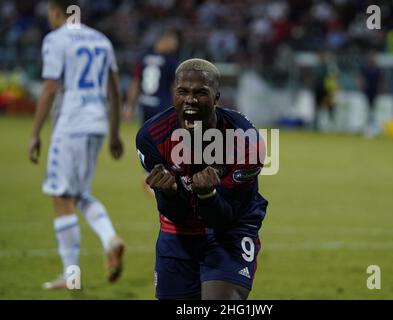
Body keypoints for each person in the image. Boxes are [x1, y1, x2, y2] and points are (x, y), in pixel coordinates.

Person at [136, 58, 268, 299]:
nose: (191, 100)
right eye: (183, 92)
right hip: (177, 231)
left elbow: (225, 216)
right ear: (173, 93)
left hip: (231, 232)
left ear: (217, 98)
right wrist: (168, 193)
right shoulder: (151, 137)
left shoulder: (246, 142)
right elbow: (171, 211)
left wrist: (207, 195)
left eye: (201, 93)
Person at [28, 0, 125, 289]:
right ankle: (111, 238)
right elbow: (115, 91)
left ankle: (71, 277)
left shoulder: (56, 40)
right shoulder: (102, 40)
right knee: (79, 194)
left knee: (60, 197)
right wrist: (115, 133)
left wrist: (35, 133)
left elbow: (49, 88)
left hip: (71, 125)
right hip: (97, 124)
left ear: (57, 12)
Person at [124, 32, 179, 124]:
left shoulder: (144, 57)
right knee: (162, 136)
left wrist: (129, 106)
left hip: (145, 103)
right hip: (163, 105)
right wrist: (178, 107)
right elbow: (174, 86)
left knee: (146, 135)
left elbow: (135, 83)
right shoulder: (170, 60)